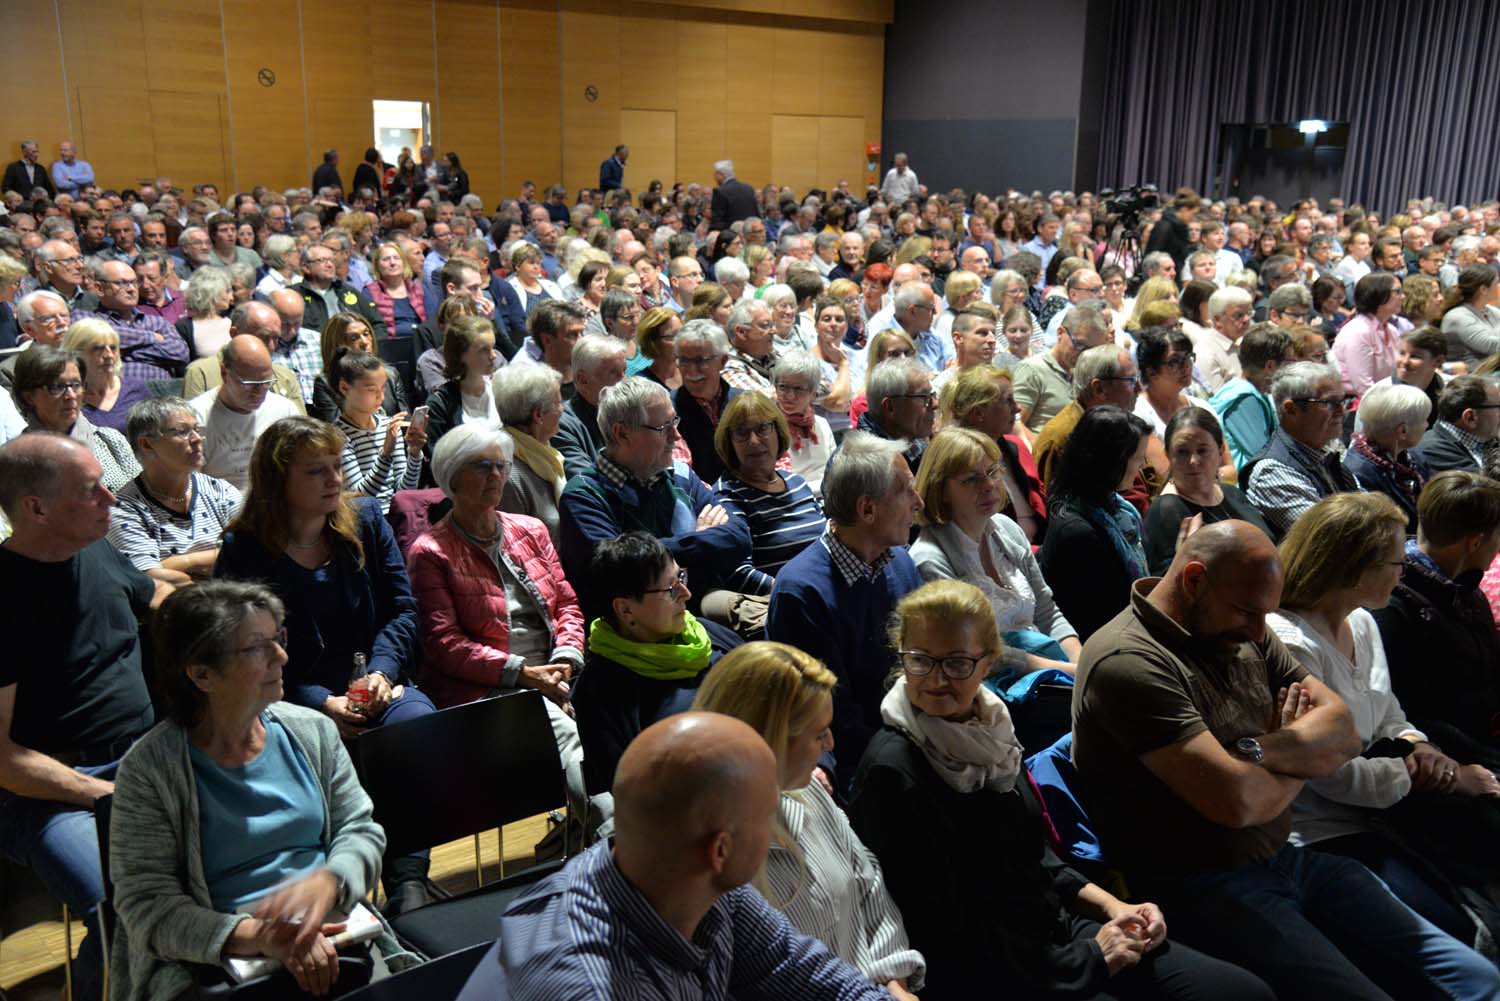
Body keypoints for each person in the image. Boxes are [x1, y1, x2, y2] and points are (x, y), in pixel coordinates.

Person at [1071, 519, 1500, 1001]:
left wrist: (1261, 748)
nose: (1259, 630)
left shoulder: (1245, 622)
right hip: (1205, 884)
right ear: (1193, 581)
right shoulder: (1128, 661)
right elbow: (1236, 803)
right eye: (1247, 613)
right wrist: (1303, 752)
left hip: (1288, 856)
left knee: (1479, 978)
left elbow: (1341, 729)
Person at [850, 579, 1272, 1001]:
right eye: (920, 660)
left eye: (957, 663)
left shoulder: (993, 733)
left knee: (1243, 992)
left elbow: (1037, 859)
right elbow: (948, 934)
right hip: (1001, 973)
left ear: (989, 661)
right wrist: (1093, 957)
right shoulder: (892, 772)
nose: (937, 679)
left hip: (1053, 932)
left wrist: (1116, 908)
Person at [456, 712, 892, 1000]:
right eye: (770, 813)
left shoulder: (699, 882)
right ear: (722, 849)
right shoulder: (588, 987)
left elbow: (803, 973)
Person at [109, 580, 401, 1001]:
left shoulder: (312, 731)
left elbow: (361, 830)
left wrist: (330, 881)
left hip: (334, 932)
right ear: (201, 674)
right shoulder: (150, 770)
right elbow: (148, 906)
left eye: (277, 639)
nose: (281, 656)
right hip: (215, 960)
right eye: (256, 648)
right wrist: (263, 937)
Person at [214, 415, 436, 913]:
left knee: (414, 724)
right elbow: (243, 651)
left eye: (337, 467)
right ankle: (332, 893)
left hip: (377, 683)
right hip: (283, 698)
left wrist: (381, 672)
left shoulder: (366, 521)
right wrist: (319, 702)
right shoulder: (243, 551)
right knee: (306, 743)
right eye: (317, 471)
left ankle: (408, 883)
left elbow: (403, 611)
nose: (335, 479)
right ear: (278, 480)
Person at [1267, 492, 1500, 951]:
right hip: (1325, 830)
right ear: (1355, 567)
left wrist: (1420, 747)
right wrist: (1441, 778)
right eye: (1396, 562)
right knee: (1459, 935)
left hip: (1390, 808)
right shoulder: (1288, 642)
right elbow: (1330, 775)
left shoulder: (1363, 621)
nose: (1404, 572)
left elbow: (1389, 713)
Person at [0, 433, 164, 1001]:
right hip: (51, 792)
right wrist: (107, 795)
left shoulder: (93, 549)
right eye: (90, 490)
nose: (111, 500)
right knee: (122, 898)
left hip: (144, 761)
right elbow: (5, 761)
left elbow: (155, 597)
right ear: (35, 507)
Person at [691, 643, 926, 1000]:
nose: (831, 744)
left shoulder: (809, 792)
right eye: (818, 734)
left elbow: (869, 883)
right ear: (766, 741)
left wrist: (894, 983)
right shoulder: (707, 866)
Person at [405, 425, 587, 818]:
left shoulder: (530, 529)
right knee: (564, 733)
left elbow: (567, 604)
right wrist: (523, 673)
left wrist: (567, 662)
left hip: (557, 668)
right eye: (482, 466)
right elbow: (444, 643)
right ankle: (608, 836)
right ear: (452, 475)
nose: (496, 476)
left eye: (501, 466)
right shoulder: (431, 551)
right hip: (489, 685)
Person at [767, 431, 923, 785]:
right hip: (871, 764)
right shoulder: (802, 593)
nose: (919, 502)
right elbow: (836, 720)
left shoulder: (900, 562)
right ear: (867, 509)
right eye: (906, 491)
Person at [557, 375, 749, 621]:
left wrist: (670, 548)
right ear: (622, 433)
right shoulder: (583, 496)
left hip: (700, 605)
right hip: (635, 634)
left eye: (675, 422)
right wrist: (700, 540)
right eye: (663, 428)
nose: (676, 436)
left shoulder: (680, 475)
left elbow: (740, 537)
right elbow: (618, 569)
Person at [912, 427, 1079, 685]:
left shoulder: (1007, 528)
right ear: (941, 489)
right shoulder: (930, 558)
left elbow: (1047, 613)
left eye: (992, 472)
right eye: (971, 479)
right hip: (993, 687)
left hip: (1049, 668)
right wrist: (1071, 672)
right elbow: (979, 654)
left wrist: (1081, 663)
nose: (989, 486)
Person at [1376, 470, 1500, 770]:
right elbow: (1418, 716)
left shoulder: (1467, 588)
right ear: (1475, 542)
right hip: (1450, 761)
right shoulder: (1393, 608)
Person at [109, 396, 242, 588]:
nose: (197, 439)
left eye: (196, 429)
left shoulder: (219, 490)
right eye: (182, 432)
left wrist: (182, 562)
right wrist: (219, 561)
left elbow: (253, 552)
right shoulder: (124, 509)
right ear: (147, 444)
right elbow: (148, 581)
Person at [711, 391, 824, 596]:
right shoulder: (728, 495)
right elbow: (737, 572)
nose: (754, 441)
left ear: (778, 431)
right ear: (730, 442)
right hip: (785, 601)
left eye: (763, 428)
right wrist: (796, 592)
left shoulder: (796, 483)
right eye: (742, 432)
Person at [1143, 408, 1271, 574]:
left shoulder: (1232, 493)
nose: (1193, 460)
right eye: (1182, 452)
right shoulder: (1166, 510)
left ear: (1220, 451)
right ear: (1168, 455)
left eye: (1202, 450)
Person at [1243, 362, 1359, 540]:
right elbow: (1333, 536)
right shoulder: (1271, 471)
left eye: (1342, 401)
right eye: (1329, 403)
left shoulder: (1326, 454)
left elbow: (1369, 512)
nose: (1342, 412)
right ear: (1291, 410)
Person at [12, 343, 140, 490]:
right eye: (56, 387)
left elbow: (145, 500)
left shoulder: (109, 439)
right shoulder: (19, 460)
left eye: (76, 384)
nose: (71, 395)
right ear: (29, 397)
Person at [1032, 344, 1142, 491]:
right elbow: (1055, 507)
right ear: (1099, 389)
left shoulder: (1122, 424)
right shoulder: (1062, 438)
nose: (1139, 388)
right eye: (1131, 380)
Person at [331, 349, 424, 515]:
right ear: (344, 388)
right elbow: (360, 497)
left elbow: (404, 490)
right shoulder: (337, 435)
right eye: (371, 389)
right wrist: (385, 454)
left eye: (383, 388)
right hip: (366, 519)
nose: (381, 397)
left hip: (397, 514)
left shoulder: (386, 425)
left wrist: (415, 453)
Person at [182, 300, 307, 413]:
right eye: (263, 337)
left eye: (276, 338)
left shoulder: (285, 377)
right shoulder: (201, 372)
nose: (272, 346)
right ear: (234, 333)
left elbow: (299, 429)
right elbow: (193, 426)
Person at [1343, 381, 1432, 533]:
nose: (1427, 425)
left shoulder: (1409, 457)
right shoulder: (1360, 474)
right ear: (1402, 431)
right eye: (1423, 420)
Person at [492, 362, 567, 540]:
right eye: (559, 402)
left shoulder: (543, 453)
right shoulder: (507, 478)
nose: (563, 409)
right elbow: (514, 552)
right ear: (538, 415)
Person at [1014, 302, 1114, 433]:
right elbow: (1015, 425)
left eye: (1091, 349)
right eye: (1079, 344)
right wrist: (1039, 451)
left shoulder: (1088, 374)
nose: (1084, 353)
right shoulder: (1033, 370)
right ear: (1060, 332)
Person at [1210, 323, 1294, 475]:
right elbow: (1263, 456)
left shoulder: (1255, 392)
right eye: (1289, 363)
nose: (1292, 370)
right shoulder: (1244, 399)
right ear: (1270, 366)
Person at [672, 317, 740, 483]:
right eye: (684, 361)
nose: (691, 370)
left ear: (723, 361)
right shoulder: (668, 411)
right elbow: (681, 474)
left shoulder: (743, 403)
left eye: (700, 361)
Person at [552, 333, 627, 479]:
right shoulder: (562, 425)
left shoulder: (629, 411)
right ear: (583, 380)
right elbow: (587, 481)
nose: (625, 382)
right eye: (614, 373)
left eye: (625, 371)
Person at [310, 312, 406, 423]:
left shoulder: (390, 374)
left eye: (366, 334)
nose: (365, 342)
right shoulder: (325, 383)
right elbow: (334, 431)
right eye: (354, 338)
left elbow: (404, 418)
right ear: (337, 345)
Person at [62, 317, 153, 435]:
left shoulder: (136, 390)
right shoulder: (66, 397)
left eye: (113, 348)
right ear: (75, 354)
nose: (109, 355)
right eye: (98, 348)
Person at [771, 350, 836, 497]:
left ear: (813, 393)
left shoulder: (822, 424)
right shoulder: (769, 428)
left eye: (798, 389)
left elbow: (835, 474)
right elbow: (779, 485)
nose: (790, 396)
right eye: (783, 387)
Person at [1332, 273, 1405, 399]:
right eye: (1397, 292)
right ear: (1378, 295)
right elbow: (1363, 388)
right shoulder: (1358, 331)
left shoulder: (1392, 331)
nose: (1403, 297)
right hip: (1354, 403)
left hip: (1384, 396)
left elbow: (1398, 373)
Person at [1412, 373, 1500, 474]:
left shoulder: (1483, 437)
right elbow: (1488, 487)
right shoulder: (1435, 451)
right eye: (1498, 407)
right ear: (1470, 417)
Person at [294, 244, 386, 339]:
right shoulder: (294, 295)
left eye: (332, 260)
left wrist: (373, 347)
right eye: (322, 260)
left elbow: (377, 323)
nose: (330, 265)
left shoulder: (346, 291)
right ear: (306, 267)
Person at [1438, 264, 1500, 365]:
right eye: (1496, 283)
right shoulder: (1457, 317)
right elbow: (1491, 346)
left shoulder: (1491, 311)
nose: (1499, 286)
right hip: (1472, 375)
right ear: (1483, 289)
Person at [364, 240, 426, 338]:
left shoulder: (418, 289)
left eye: (396, 258)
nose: (392, 263)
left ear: (404, 263)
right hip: (389, 346)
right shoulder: (369, 293)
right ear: (377, 266)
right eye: (386, 259)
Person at [709, 160, 758, 230]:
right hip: (749, 232)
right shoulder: (749, 188)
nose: (714, 177)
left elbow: (717, 221)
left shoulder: (719, 191)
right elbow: (756, 214)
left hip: (731, 235)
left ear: (722, 174)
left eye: (716, 174)